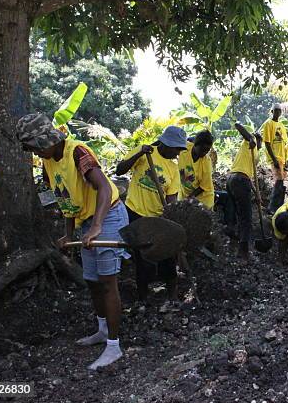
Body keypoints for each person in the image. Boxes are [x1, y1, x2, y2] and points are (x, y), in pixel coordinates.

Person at [16, 113, 128, 370]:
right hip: (86, 221)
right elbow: (64, 199)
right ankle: (102, 330)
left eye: (34, 147)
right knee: (92, 280)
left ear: (46, 140)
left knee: (108, 282)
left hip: (107, 215)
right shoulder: (49, 162)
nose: (33, 152)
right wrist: (69, 234)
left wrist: (98, 225)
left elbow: (105, 188)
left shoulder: (78, 152)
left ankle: (114, 346)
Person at [115, 125, 187, 304]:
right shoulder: (145, 152)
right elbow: (120, 170)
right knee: (142, 259)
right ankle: (143, 298)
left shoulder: (172, 168)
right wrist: (139, 154)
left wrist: (171, 218)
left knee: (167, 256)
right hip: (136, 213)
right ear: (166, 144)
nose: (178, 153)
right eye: (176, 148)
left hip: (158, 218)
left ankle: (172, 296)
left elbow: (171, 198)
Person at [225, 123, 262, 262]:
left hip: (234, 180)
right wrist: (251, 138)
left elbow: (250, 177)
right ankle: (243, 251)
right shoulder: (249, 142)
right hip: (239, 180)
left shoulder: (254, 154)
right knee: (246, 217)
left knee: (238, 212)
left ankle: (232, 235)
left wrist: (256, 194)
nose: (259, 145)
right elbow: (237, 125)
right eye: (260, 142)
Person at [261, 103, 288, 213]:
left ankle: (279, 207)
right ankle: (272, 207)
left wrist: (286, 162)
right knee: (278, 181)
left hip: (282, 159)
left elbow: (286, 143)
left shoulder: (282, 125)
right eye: (275, 110)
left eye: (279, 110)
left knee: (282, 183)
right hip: (275, 158)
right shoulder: (268, 124)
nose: (277, 112)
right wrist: (274, 159)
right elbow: (267, 143)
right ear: (272, 111)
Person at [178, 130, 215, 209]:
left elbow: (203, 187)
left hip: (203, 199)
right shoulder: (184, 148)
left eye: (207, 151)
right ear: (195, 145)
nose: (204, 153)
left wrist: (188, 199)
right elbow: (169, 142)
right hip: (186, 194)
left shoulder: (206, 162)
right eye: (202, 150)